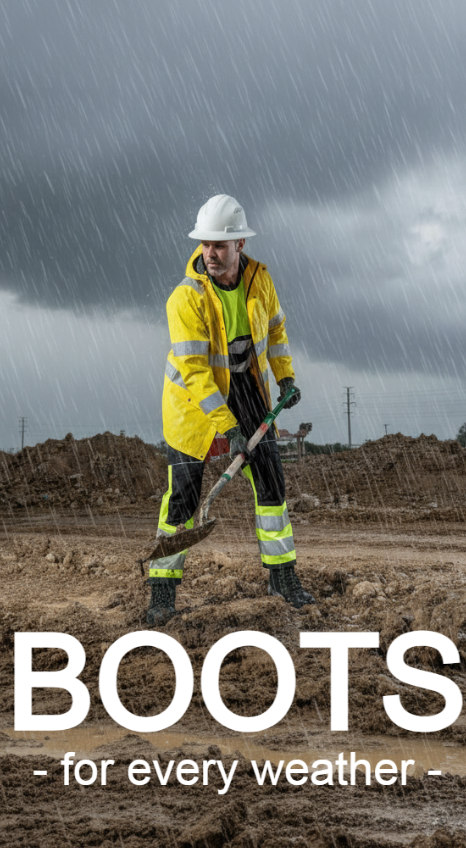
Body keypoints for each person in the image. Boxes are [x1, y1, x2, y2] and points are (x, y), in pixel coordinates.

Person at [147, 194, 315, 625]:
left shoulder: (261, 281)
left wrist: (286, 377)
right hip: (192, 400)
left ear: (239, 244)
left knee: (272, 479)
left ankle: (283, 577)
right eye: (205, 244)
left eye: (219, 245)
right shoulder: (185, 299)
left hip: (248, 386)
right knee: (183, 497)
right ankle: (162, 591)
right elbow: (197, 373)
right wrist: (228, 427)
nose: (210, 253)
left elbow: (276, 332)